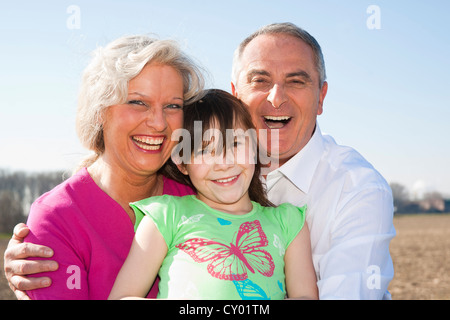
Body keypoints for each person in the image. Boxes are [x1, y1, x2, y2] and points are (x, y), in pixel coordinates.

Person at [2, 34, 204, 299]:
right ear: (100, 110)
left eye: (172, 106)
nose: (158, 123)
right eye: (138, 102)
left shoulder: (199, 196)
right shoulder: (57, 219)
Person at [230, 22, 395, 299]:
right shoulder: (203, 173)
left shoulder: (358, 190)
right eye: (260, 80)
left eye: (296, 81)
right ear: (235, 95)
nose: (277, 97)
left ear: (321, 97)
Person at [108, 89, 318, 300]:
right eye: (205, 150)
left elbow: (305, 296)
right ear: (182, 162)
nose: (224, 163)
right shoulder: (166, 216)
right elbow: (123, 296)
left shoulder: (289, 223)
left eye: (235, 144)